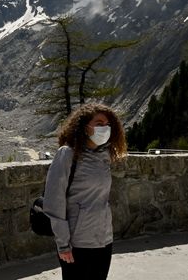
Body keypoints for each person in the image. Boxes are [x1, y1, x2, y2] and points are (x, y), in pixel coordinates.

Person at [43, 103, 127, 280]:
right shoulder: (67, 155)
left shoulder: (104, 155)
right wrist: (63, 245)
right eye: (99, 123)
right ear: (84, 127)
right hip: (77, 242)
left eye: (108, 124)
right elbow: (54, 202)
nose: (105, 128)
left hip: (104, 239)